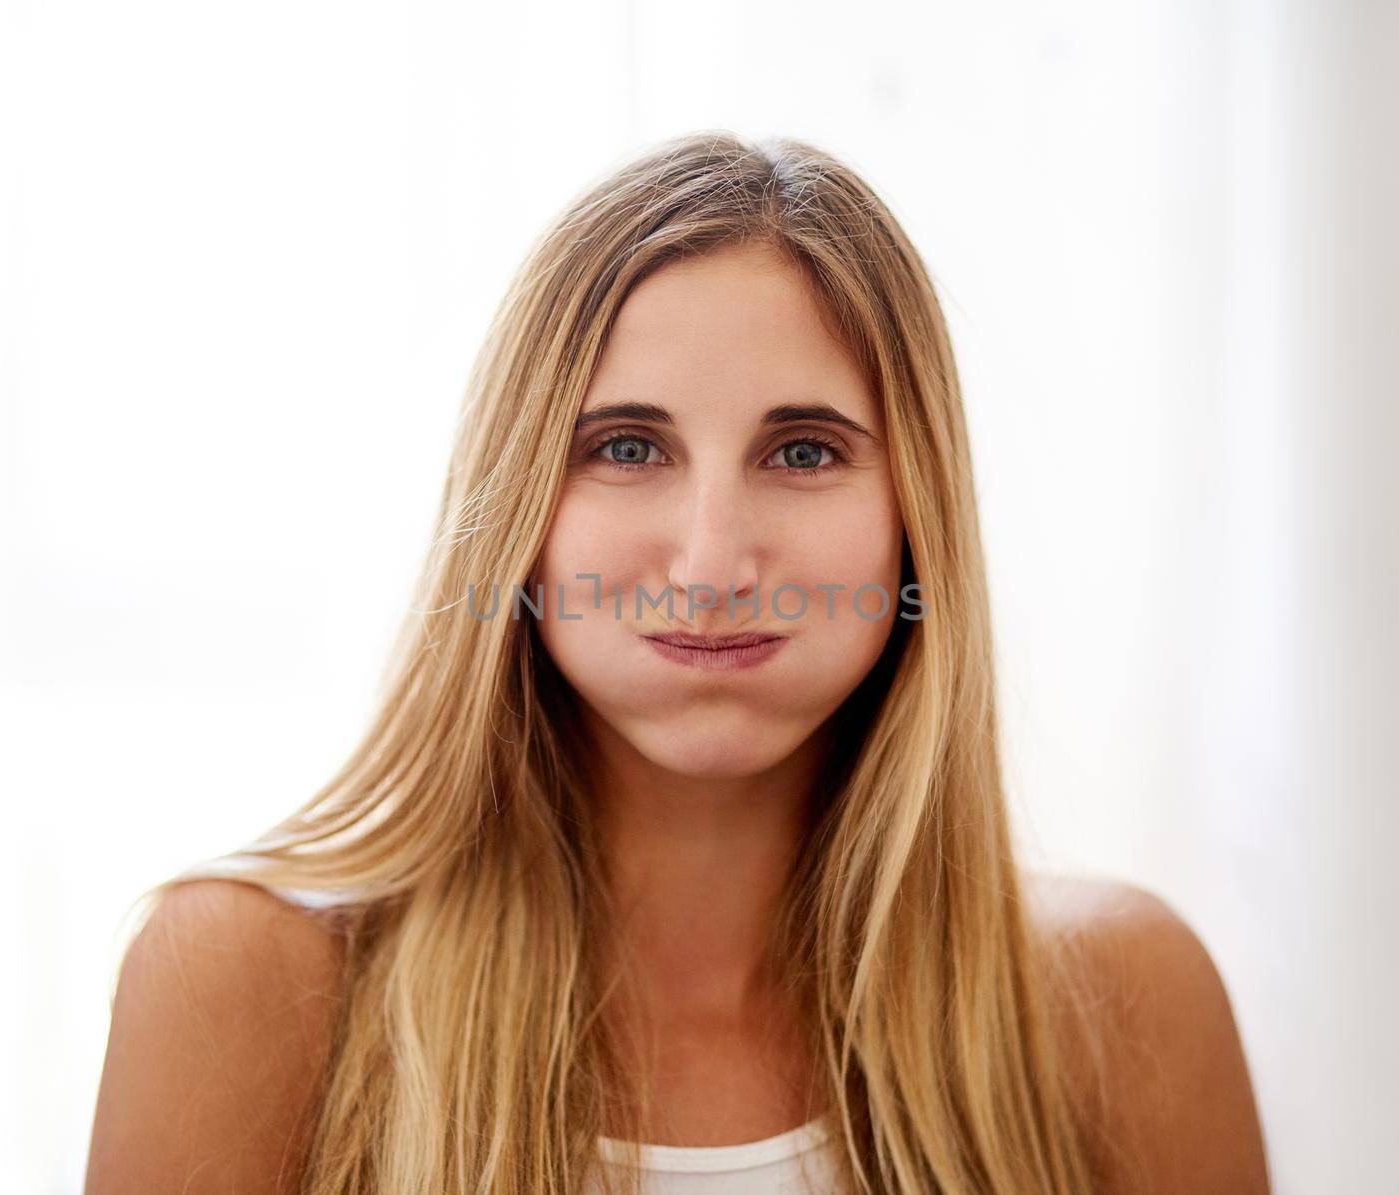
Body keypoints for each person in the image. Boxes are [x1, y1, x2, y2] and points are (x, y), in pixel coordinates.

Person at [83, 130, 1270, 1194]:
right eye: (628, 445)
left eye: (803, 451)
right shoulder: (241, 979)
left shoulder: (1123, 1002)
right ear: (517, 510)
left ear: (918, 517)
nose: (709, 565)